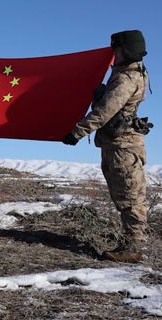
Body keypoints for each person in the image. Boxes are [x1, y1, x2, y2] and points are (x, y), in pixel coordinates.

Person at [63, 30, 152, 263]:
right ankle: (128, 243)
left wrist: (77, 133)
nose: (114, 55)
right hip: (119, 144)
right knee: (124, 194)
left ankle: (132, 247)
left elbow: (105, 112)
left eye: (117, 50)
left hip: (123, 147)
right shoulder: (130, 73)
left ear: (128, 51)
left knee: (129, 196)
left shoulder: (126, 79)